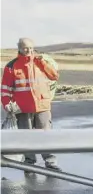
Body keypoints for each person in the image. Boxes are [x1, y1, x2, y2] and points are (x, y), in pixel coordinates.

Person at [1, 37, 61, 172]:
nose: (28, 51)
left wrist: (44, 63)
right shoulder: (11, 66)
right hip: (22, 108)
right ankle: (29, 163)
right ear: (19, 48)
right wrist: (6, 104)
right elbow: (5, 89)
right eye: (25, 48)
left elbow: (54, 76)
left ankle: (50, 162)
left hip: (42, 106)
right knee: (26, 136)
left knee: (46, 135)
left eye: (31, 48)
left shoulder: (40, 62)